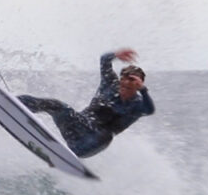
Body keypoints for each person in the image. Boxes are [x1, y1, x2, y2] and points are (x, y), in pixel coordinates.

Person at [18, 48, 154, 158]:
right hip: (77, 125)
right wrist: (116, 54)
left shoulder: (138, 105)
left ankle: (71, 155)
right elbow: (104, 60)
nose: (125, 85)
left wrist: (143, 89)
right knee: (58, 106)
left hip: (91, 143)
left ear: (138, 86)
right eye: (123, 80)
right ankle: (17, 103)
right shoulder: (110, 84)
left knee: (106, 136)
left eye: (131, 83)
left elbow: (150, 110)